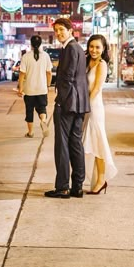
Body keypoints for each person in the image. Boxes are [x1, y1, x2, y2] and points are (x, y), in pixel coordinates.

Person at [45, 17, 90, 199]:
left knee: (62, 145)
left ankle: (63, 186)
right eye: (56, 31)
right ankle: (77, 186)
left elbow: (69, 77)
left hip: (68, 103)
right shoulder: (77, 48)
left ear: (71, 30)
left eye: (61, 30)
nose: (58, 33)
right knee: (75, 144)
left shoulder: (70, 49)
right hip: (78, 104)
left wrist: (60, 101)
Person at [82, 34, 117, 194]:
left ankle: (102, 179)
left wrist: (85, 106)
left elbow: (96, 88)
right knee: (92, 144)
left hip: (94, 108)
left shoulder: (101, 64)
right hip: (85, 107)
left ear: (103, 49)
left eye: (97, 47)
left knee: (98, 144)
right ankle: (96, 179)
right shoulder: (87, 62)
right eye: (91, 46)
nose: (94, 50)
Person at [17, 35, 52, 138]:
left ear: (30, 44)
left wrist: (20, 89)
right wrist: (48, 85)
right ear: (41, 43)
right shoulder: (45, 56)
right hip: (42, 88)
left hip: (29, 90)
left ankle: (30, 132)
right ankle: (43, 121)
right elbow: (49, 73)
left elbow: (22, 74)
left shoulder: (26, 56)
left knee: (29, 110)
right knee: (42, 108)